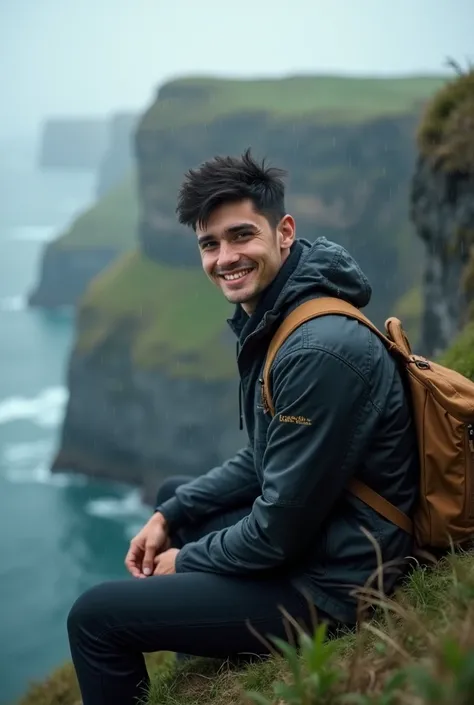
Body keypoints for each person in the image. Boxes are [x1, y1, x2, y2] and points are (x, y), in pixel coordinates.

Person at [67, 149, 419, 705]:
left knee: (94, 619)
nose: (225, 258)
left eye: (241, 236)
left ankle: (203, 642)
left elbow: (278, 532)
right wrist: (170, 516)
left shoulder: (317, 349)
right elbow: (263, 456)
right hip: (327, 535)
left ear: (284, 231)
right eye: (210, 244)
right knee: (175, 496)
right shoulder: (282, 312)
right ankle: (205, 648)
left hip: (340, 583)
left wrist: (184, 560)